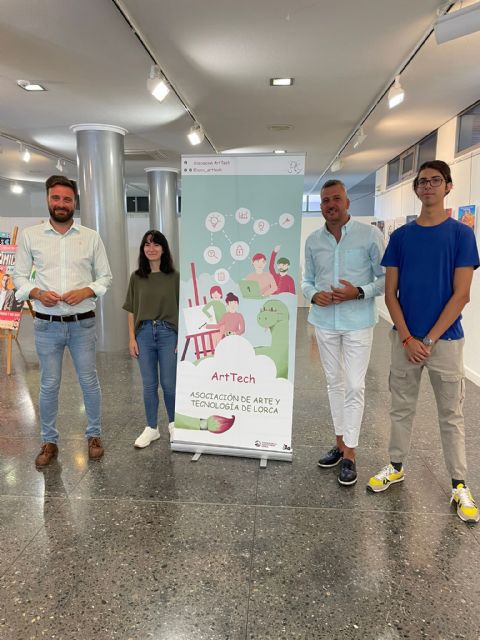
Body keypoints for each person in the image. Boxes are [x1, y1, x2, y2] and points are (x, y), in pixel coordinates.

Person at [367, 160, 480, 524]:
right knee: (400, 407)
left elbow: (461, 295)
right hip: (405, 341)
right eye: (422, 181)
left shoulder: (462, 236)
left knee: (451, 415)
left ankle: (459, 483)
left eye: (435, 181)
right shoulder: (401, 238)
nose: (427, 186)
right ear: (416, 189)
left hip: (445, 342)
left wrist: (428, 339)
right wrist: (407, 337)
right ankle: (396, 465)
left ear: (448, 186)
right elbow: (390, 293)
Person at [13, 175, 112, 468]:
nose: (61, 204)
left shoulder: (90, 236)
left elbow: (105, 276)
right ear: (48, 199)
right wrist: (36, 292)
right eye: (55, 198)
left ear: (75, 203)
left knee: (89, 382)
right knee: (48, 384)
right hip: (46, 324)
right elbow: (18, 276)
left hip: (83, 323)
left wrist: (86, 290)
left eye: (66, 199)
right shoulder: (32, 236)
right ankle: (49, 441)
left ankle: (94, 435)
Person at [302, 179, 385, 486]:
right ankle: (339, 444)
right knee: (334, 384)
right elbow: (306, 280)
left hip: (358, 323)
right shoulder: (313, 240)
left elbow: (386, 278)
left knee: (354, 385)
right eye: (325, 201)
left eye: (336, 199)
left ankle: (350, 453)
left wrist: (359, 292)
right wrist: (313, 295)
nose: (330, 205)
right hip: (324, 322)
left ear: (348, 202)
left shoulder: (370, 235)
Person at [123, 230, 179, 449]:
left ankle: (174, 424)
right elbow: (130, 310)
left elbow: (182, 307)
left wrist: (180, 338)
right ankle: (151, 428)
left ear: (163, 249)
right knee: (149, 385)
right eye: (147, 245)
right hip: (144, 334)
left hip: (168, 334)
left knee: (169, 384)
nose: (151, 248)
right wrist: (131, 338)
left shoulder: (174, 277)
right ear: (142, 249)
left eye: (156, 244)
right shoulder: (137, 277)